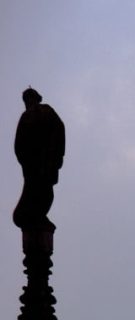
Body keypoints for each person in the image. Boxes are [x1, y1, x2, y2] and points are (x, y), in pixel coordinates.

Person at [12, 87, 64, 232]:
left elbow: (59, 130)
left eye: (29, 99)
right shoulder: (28, 116)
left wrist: (56, 155)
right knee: (37, 190)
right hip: (34, 164)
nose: (27, 103)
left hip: (45, 162)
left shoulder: (45, 112)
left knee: (44, 192)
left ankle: (37, 216)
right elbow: (19, 145)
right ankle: (32, 217)